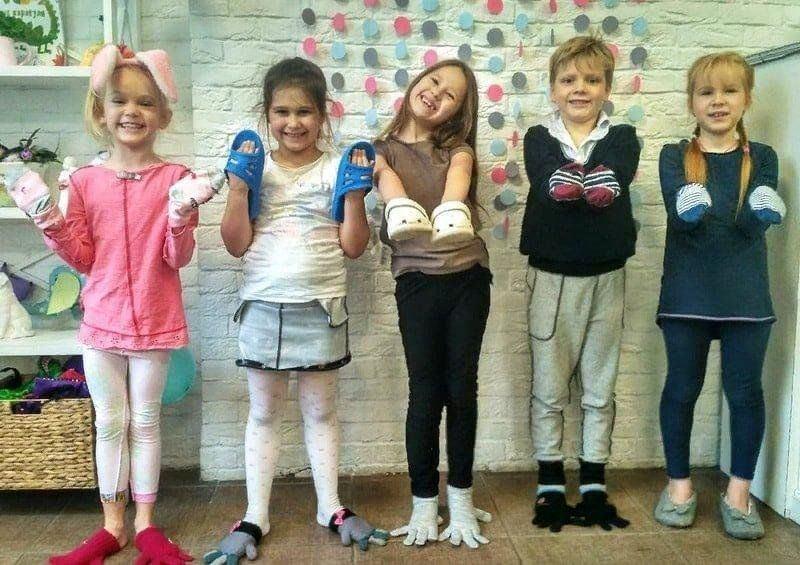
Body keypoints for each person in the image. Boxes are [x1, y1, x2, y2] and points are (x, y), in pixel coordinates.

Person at [8, 44, 218, 564]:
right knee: (109, 423)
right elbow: (82, 257)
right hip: (101, 323)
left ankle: (145, 524)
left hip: (155, 320)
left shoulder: (176, 179)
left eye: (146, 102)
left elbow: (177, 257)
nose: (132, 111)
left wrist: (180, 216)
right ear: (100, 111)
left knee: (144, 421)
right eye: (120, 100)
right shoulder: (83, 181)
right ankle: (111, 525)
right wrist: (48, 219)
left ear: (162, 113)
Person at [205, 57, 387, 565]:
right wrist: (238, 188)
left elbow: (354, 247)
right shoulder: (255, 168)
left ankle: (329, 506)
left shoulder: (336, 167)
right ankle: (255, 515)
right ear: (266, 114)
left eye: (304, 111)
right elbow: (235, 244)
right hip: (263, 307)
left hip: (321, 307)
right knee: (264, 413)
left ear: (323, 114)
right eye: (281, 112)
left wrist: (354, 196)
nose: (293, 122)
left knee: (320, 412)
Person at [654, 51, 785, 540]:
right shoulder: (674, 155)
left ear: (747, 98)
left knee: (745, 393)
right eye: (706, 92)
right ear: (692, 102)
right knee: (681, 389)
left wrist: (761, 210)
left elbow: (752, 226)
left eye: (730, 90)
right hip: (686, 297)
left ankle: (739, 494)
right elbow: (680, 217)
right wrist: (687, 207)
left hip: (746, 299)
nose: (718, 101)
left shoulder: (763, 157)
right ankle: (679, 488)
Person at [519, 36, 639, 533]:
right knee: (549, 388)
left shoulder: (623, 137)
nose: (580, 88)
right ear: (553, 89)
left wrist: (596, 182)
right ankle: (550, 482)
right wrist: (572, 184)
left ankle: (593, 482)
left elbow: (616, 176)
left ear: (607, 88)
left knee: (599, 387)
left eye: (592, 80)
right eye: (568, 80)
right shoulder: (538, 138)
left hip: (607, 277)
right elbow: (548, 179)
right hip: (551, 279)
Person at [373, 60, 493, 549]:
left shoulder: (457, 150)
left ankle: (460, 497)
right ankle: (424, 499)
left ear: (457, 113)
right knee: (425, 392)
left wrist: (452, 207)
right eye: (435, 81)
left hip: (467, 277)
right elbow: (382, 178)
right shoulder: (380, 151)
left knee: (461, 389)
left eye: (452, 96)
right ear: (417, 83)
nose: (437, 94)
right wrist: (395, 202)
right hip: (416, 281)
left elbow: (460, 174)